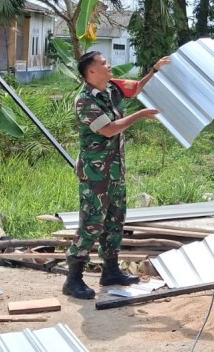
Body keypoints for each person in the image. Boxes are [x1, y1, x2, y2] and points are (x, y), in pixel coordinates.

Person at [64, 51, 171, 299]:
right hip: (95, 174)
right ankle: (73, 279)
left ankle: (110, 271)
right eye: (103, 63)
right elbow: (109, 130)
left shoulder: (111, 88)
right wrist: (141, 115)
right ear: (91, 72)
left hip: (115, 170)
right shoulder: (84, 101)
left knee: (115, 221)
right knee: (92, 223)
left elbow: (134, 89)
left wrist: (154, 70)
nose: (109, 65)